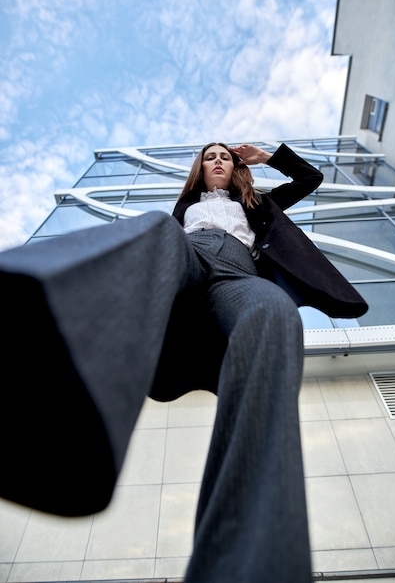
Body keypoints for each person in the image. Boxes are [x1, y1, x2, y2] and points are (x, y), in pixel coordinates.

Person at [0, 142, 368, 583]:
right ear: (199, 169)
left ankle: (248, 564)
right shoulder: (185, 209)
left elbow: (310, 180)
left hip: (237, 276)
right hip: (186, 264)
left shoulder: (258, 204)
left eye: (225, 158)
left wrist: (268, 157)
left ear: (236, 169)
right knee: (157, 229)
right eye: (209, 157)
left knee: (276, 314)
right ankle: (28, 334)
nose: (217, 161)